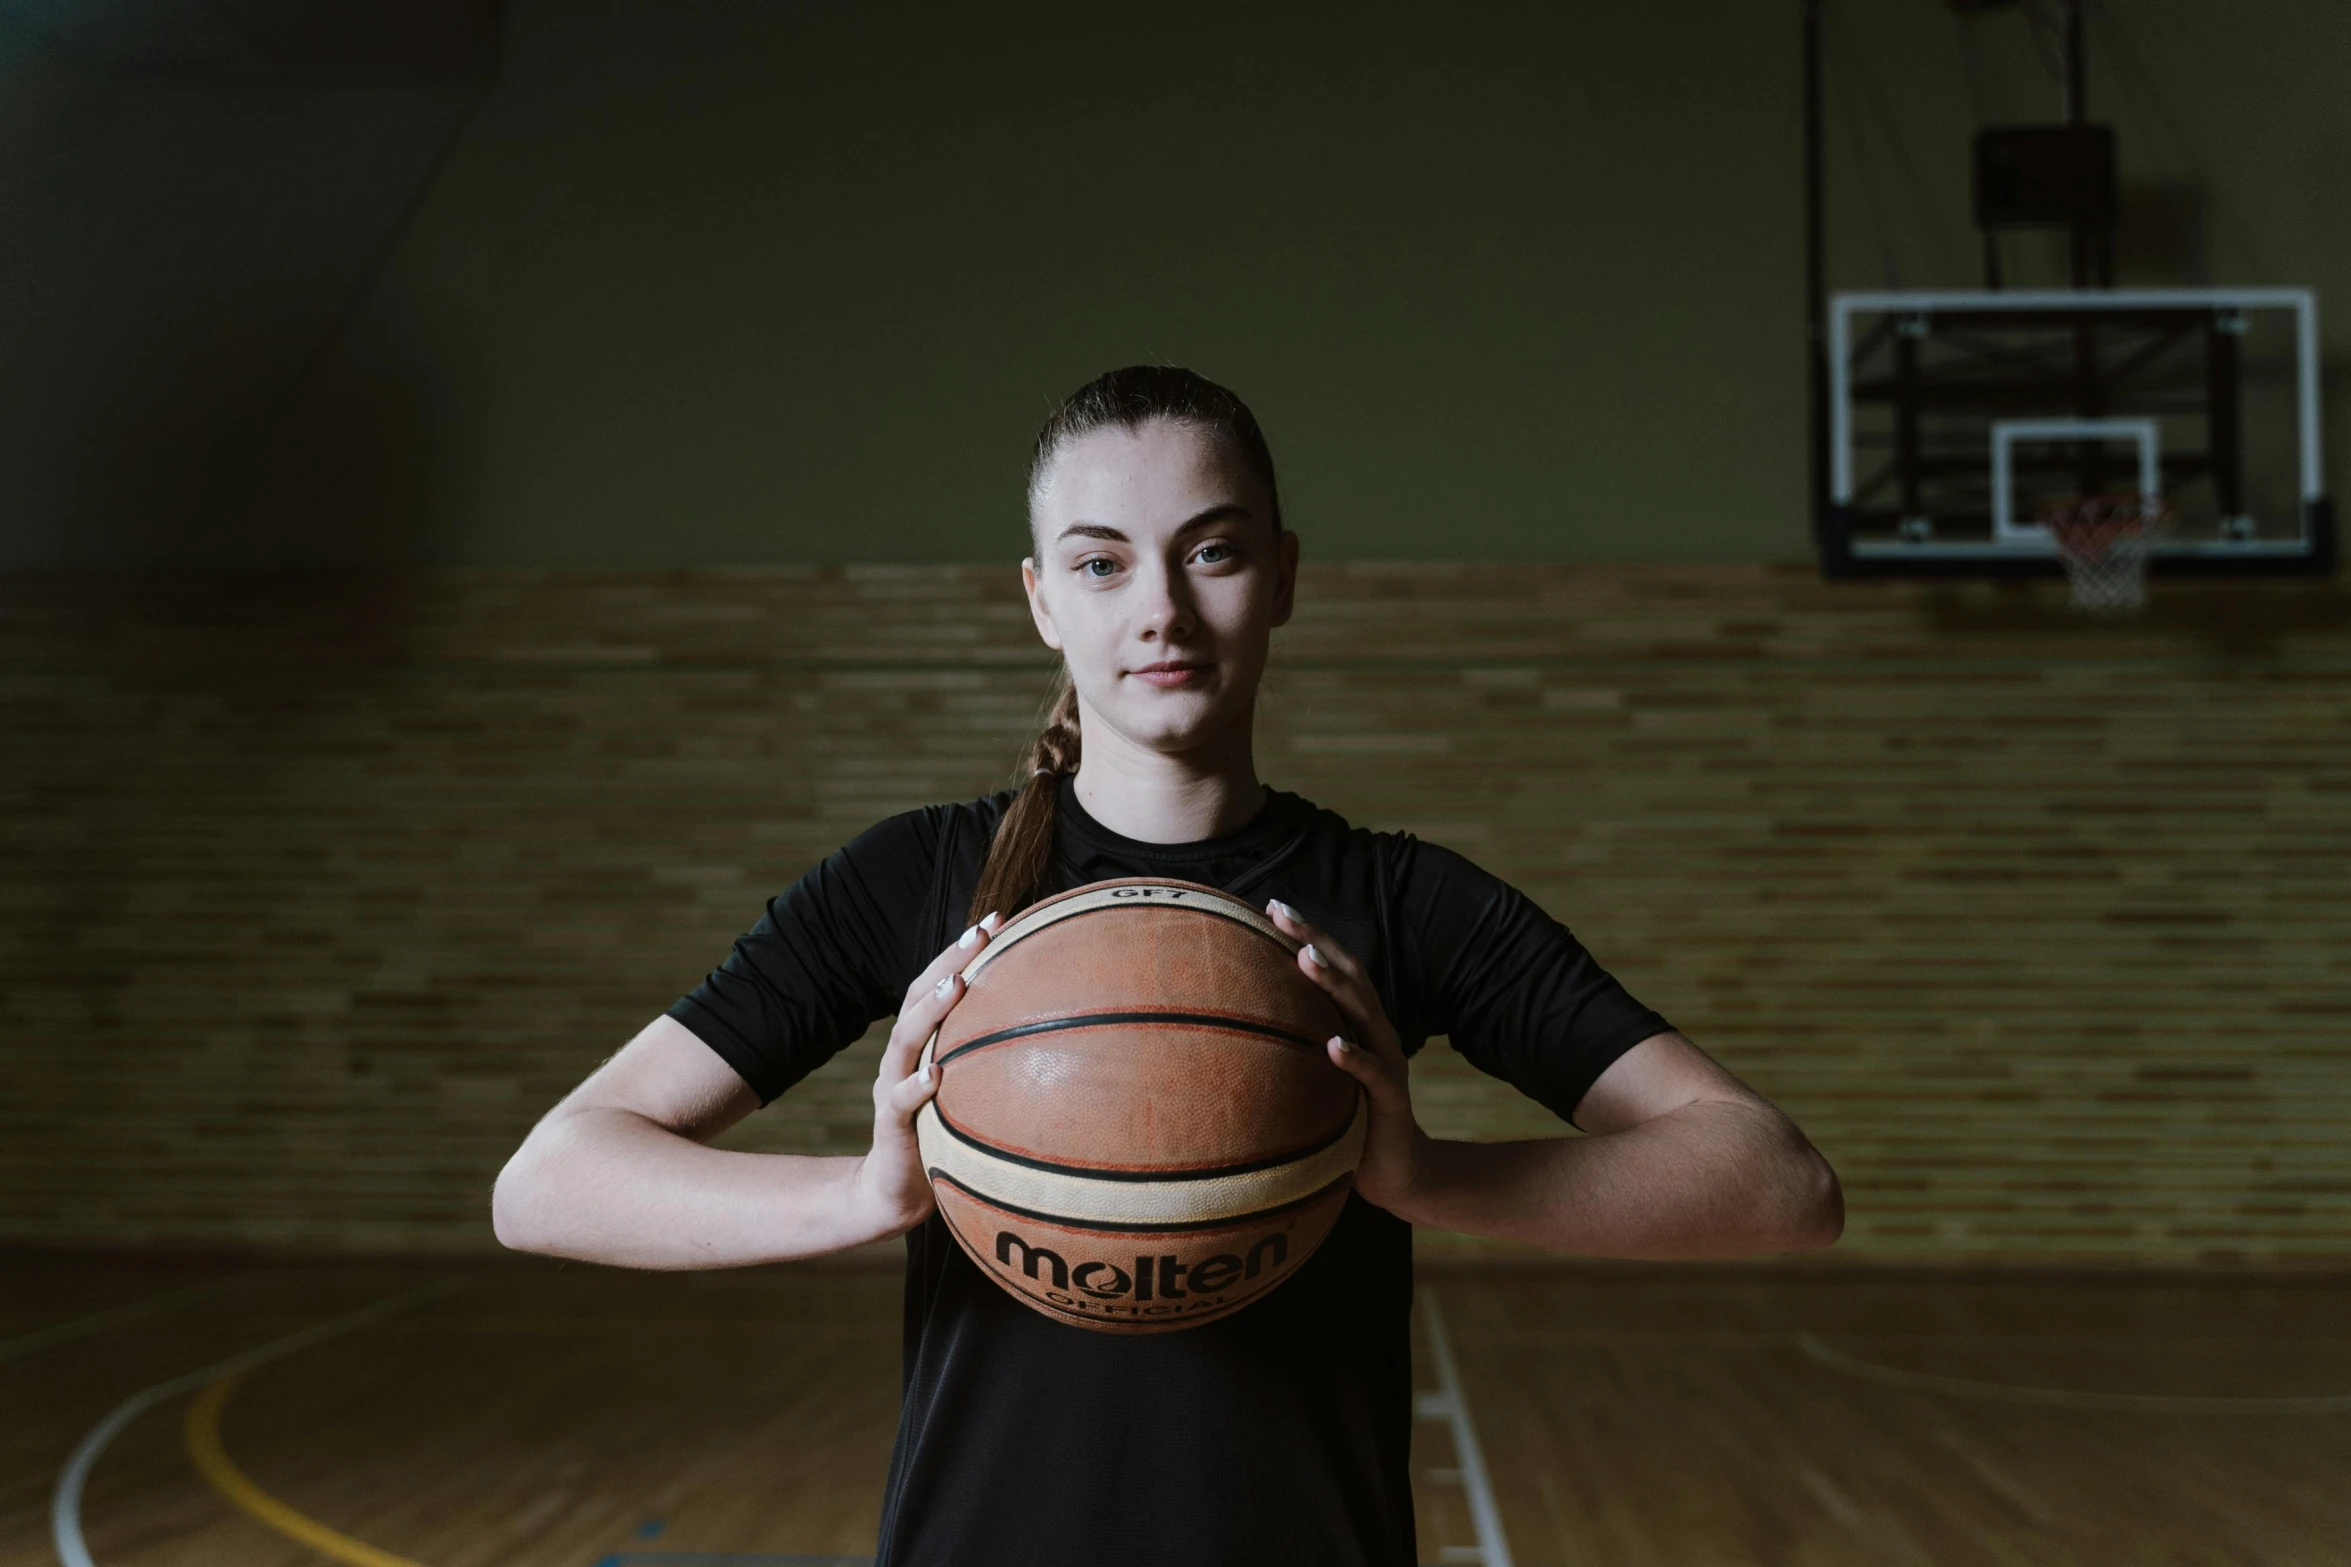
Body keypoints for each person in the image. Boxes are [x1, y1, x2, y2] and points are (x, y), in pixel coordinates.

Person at [492, 366, 1844, 1567]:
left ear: (1285, 575)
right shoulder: (916, 880)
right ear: (1038, 601)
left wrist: (1424, 1175)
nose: (1161, 609)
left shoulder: (1401, 902)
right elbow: (550, 1180)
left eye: (1211, 552)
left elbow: (1778, 1182)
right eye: (1099, 563)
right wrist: (869, 1192)